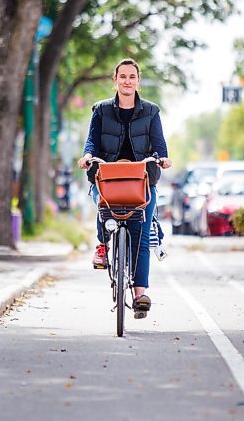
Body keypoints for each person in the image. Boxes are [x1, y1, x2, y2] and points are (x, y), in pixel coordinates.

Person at [78, 58, 171, 318]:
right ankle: (102, 245)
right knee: (102, 207)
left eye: (132, 77)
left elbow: (159, 144)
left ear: (138, 81)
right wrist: (87, 157)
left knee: (140, 235)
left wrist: (162, 158)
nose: (127, 81)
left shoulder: (151, 111)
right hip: (107, 177)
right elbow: (91, 143)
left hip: (142, 180)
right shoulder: (101, 110)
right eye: (123, 76)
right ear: (115, 80)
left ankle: (139, 295)